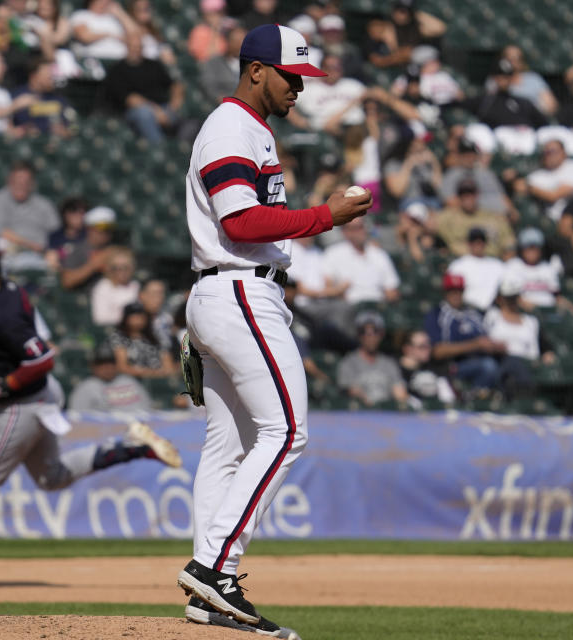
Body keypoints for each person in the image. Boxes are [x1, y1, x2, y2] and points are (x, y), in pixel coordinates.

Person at [177, 23, 370, 637]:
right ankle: (215, 568)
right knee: (287, 430)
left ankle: (208, 592)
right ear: (256, 70)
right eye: (292, 77)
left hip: (226, 290)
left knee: (229, 445)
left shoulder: (250, 128)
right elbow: (241, 220)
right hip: (238, 286)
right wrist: (325, 216)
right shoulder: (232, 125)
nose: (300, 90)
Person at [0, 242, 180, 589]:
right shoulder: (10, 290)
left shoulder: (1, 311)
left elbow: (41, 358)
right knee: (52, 477)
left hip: (22, 404)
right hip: (40, 397)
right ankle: (131, 446)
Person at [425, 273, 505, 392]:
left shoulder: (473, 314)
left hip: (480, 359)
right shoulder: (437, 314)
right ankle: (473, 398)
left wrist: (494, 346)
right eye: (452, 291)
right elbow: (437, 351)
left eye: (459, 291)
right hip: (452, 366)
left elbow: (484, 340)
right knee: (488, 366)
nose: (456, 295)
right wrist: (475, 345)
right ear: (445, 293)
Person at [483, 275, 556, 399]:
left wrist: (548, 353)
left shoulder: (531, 321)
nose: (511, 301)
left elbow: (545, 346)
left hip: (530, 364)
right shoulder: (492, 317)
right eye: (508, 298)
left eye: (514, 298)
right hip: (503, 362)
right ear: (500, 299)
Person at [102, 32, 184, 143]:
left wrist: (174, 105)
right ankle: (159, 149)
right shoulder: (117, 70)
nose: (136, 49)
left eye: (139, 46)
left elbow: (175, 85)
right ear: (127, 46)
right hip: (133, 112)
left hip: (163, 109)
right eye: (133, 46)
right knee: (144, 113)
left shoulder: (153, 65)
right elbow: (131, 99)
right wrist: (156, 112)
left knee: (186, 120)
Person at [0, 162, 58, 270]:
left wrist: (52, 252)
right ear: (9, 181)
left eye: (26, 182)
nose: (21, 185)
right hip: (8, 256)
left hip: (41, 257)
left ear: (32, 183)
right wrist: (32, 246)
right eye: (17, 181)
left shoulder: (44, 204)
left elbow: (55, 231)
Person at [322, 216, 401, 306]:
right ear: (345, 232)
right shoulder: (333, 253)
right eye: (356, 228)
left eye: (362, 227)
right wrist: (339, 291)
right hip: (348, 308)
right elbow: (327, 287)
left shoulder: (379, 254)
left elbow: (391, 289)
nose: (361, 231)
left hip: (377, 307)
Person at [335, 311, 409, 407]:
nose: (370, 336)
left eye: (375, 331)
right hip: (359, 415)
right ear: (358, 335)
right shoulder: (348, 362)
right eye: (364, 332)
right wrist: (372, 406)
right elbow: (352, 391)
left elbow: (400, 393)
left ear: (381, 334)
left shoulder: (389, 363)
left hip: (387, 416)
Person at [435, 178, 515, 258]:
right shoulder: (447, 217)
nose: (467, 197)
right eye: (463, 194)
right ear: (458, 197)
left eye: (471, 193)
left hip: (491, 260)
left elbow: (508, 242)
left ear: (477, 195)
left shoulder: (492, 217)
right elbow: (431, 226)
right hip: (462, 261)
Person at [503, 227, 573, 313]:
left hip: (550, 312)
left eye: (535, 247)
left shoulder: (547, 268)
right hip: (526, 313)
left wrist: (571, 309)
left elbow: (557, 296)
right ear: (521, 249)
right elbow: (511, 297)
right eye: (529, 247)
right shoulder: (513, 265)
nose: (532, 251)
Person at [290, 54, 367, 136]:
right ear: (321, 69)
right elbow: (282, 101)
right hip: (324, 131)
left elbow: (373, 93)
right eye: (329, 68)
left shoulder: (352, 84)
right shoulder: (308, 88)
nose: (334, 71)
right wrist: (297, 120)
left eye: (337, 67)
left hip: (355, 126)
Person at [68, 342, 153, 412]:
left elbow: (147, 411)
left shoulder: (130, 382)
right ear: (93, 366)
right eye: (102, 363)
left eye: (111, 363)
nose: (108, 368)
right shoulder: (86, 388)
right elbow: (78, 420)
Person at [439, 137, 512, 217]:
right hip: (466, 216)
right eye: (465, 154)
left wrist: (511, 211)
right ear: (459, 156)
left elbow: (503, 198)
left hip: (493, 216)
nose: (469, 157)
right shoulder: (451, 174)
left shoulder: (486, 173)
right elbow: (450, 201)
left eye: (471, 154)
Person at [12, 56, 76, 137]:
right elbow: (17, 124)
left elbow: (74, 125)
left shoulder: (59, 99)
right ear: (33, 76)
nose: (51, 78)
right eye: (47, 74)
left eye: (52, 74)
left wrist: (66, 131)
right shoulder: (19, 96)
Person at [109, 301, 175, 379]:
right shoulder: (118, 336)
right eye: (134, 317)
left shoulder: (155, 336)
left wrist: (162, 372)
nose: (138, 320)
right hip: (132, 381)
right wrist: (149, 373)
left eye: (141, 316)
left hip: (160, 380)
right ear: (126, 318)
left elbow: (168, 365)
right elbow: (122, 367)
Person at [527, 139, 573, 221]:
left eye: (553, 151)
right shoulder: (536, 176)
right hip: (553, 219)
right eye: (546, 152)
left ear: (564, 153)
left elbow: (554, 196)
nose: (549, 155)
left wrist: (531, 188)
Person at [447, 228, 506, 312]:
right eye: (474, 241)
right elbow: (452, 294)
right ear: (469, 243)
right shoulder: (458, 265)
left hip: (493, 311)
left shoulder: (497, 265)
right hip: (466, 310)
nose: (478, 244)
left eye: (481, 241)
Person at [60, 205, 116, 290]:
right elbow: (67, 281)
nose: (106, 232)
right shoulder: (76, 250)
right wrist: (94, 264)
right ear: (89, 228)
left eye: (110, 228)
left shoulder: (115, 249)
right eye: (101, 228)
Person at [491, 44, 557, 116]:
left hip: (531, 120)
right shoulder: (496, 79)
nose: (514, 62)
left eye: (518, 59)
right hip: (504, 120)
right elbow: (489, 105)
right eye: (510, 59)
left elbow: (551, 106)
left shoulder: (533, 79)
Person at [398, 329, 454, 407]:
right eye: (422, 346)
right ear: (408, 349)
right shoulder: (396, 370)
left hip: (436, 414)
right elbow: (401, 397)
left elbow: (448, 397)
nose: (428, 349)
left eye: (429, 345)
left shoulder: (436, 367)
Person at [91, 247, 140, 327]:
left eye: (125, 267)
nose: (121, 271)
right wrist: (129, 318)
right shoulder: (103, 287)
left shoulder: (136, 285)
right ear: (109, 268)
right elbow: (101, 318)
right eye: (115, 268)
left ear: (132, 268)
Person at [200, 24, 245, 105]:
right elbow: (209, 87)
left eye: (243, 41)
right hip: (224, 106)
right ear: (227, 42)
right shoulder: (214, 63)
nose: (240, 45)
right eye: (236, 41)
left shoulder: (253, 64)